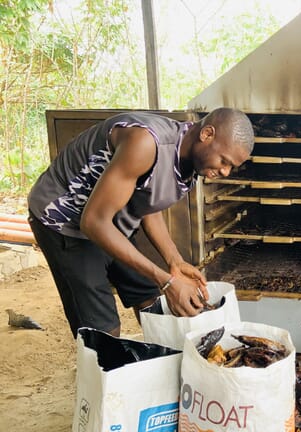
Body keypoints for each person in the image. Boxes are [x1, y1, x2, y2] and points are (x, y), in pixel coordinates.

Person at [28, 108, 254, 338]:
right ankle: (103, 366)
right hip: (65, 220)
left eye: (231, 166)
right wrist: (166, 281)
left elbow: (147, 202)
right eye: (224, 161)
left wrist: (174, 261)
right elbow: (94, 222)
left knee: (149, 300)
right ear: (207, 134)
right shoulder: (144, 143)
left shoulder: (192, 158)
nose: (225, 171)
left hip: (107, 216)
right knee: (103, 329)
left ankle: (156, 359)